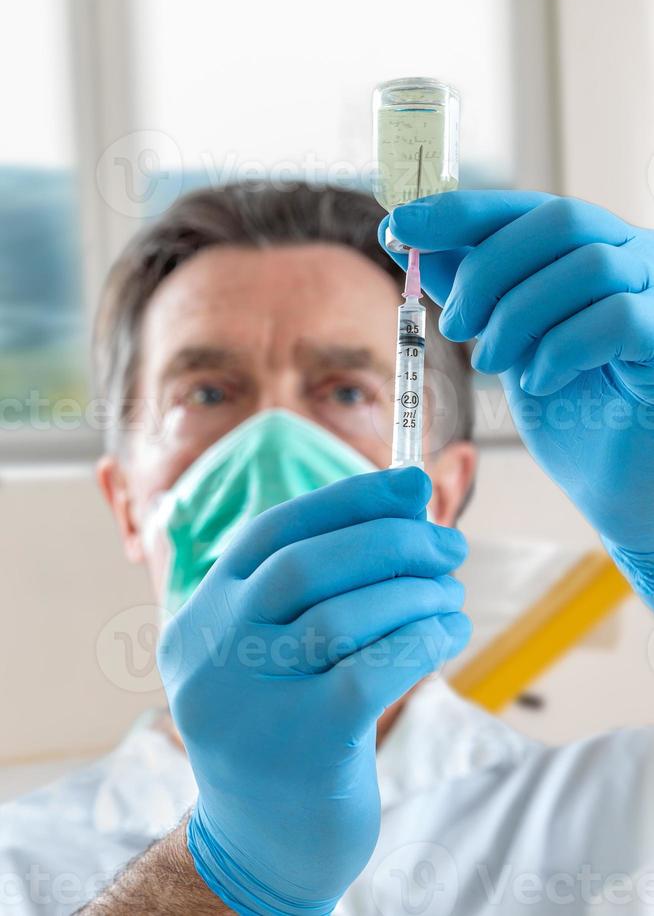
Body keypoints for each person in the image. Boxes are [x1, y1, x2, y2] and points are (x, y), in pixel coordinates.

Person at [1, 183, 653, 915]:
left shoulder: (624, 819)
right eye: (209, 394)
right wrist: (220, 876)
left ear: (444, 490)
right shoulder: (22, 864)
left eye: (346, 392)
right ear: (125, 501)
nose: (273, 443)